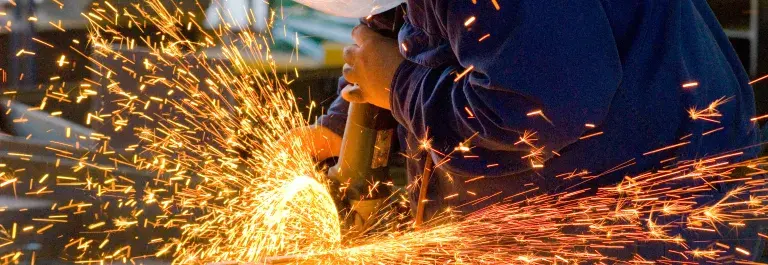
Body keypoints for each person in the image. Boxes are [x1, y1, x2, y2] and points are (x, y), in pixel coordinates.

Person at [290, 0, 761, 235]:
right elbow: (407, 26)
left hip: (638, 226)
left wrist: (397, 87)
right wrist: (343, 119)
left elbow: (543, 107)